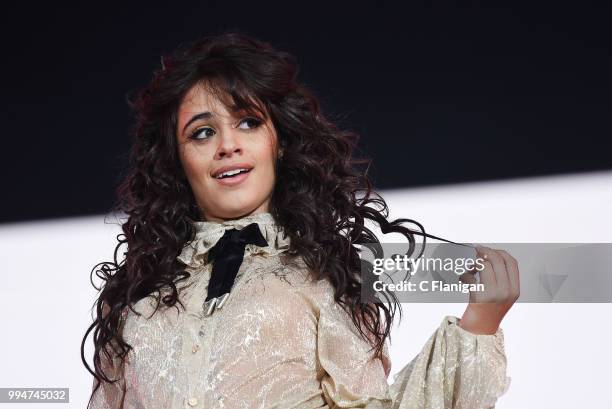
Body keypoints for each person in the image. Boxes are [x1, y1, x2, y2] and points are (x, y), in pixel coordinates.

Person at [81, 32, 519, 409]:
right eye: (202, 132)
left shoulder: (323, 280)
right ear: (177, 161)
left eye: (249, 122)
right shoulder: (136, 300)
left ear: (280, 144)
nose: (228, 145)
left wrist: (478, 325)